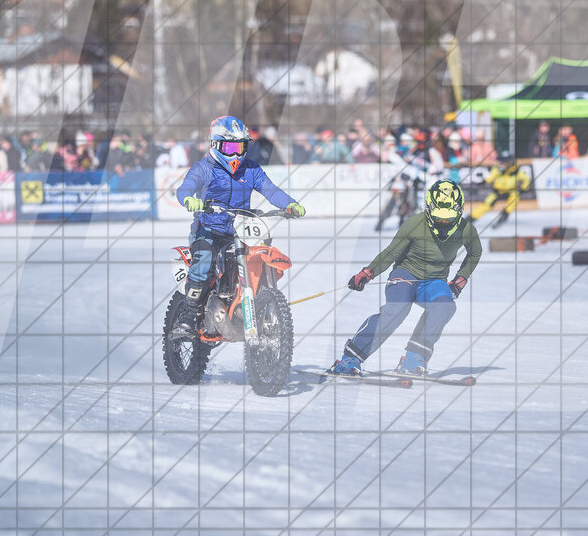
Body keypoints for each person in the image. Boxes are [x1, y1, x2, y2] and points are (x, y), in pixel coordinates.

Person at [329, 179, 482, 376]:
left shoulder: (466, 230)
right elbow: (391, 253)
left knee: (445, 305)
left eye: (448, 218)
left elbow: (475, 254)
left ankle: (413, 359)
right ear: (429, 209)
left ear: (459, 211)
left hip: (434, 281)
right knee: (398, 308)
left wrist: (461, 278)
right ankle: (350, 359)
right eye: (439, 218)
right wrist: (368, 272)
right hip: (405, 275)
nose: (443, 222)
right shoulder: (414, 224)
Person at [172, 115, 305, 338]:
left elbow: (270, 190)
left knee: (257, 257)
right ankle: (186, 317)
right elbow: (184, 189)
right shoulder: (203, 168)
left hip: (239, 229)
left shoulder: (251, 169)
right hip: (207, 228)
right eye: (230, 147)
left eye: (240, 146)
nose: (236, 153)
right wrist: (189, 200)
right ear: (215, 144)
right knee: (204, 261)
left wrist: (289, 204)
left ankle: (251, 304)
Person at [466, 151, 532, 229]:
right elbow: (490, 177)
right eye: (501, 162)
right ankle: (469, 219)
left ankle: (503, 216)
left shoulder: (517, 171)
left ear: (509, 162)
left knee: (515, 197)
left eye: (504, 162)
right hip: (497, 191)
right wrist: (484, 181)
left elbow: (526, 179)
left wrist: (523, 189)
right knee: (486, 204)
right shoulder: (497, 169)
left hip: (511, 191)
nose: (501, 164)